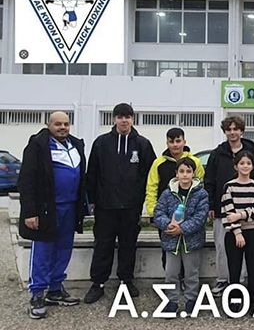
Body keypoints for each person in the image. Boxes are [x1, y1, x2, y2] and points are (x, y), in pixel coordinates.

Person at [84, 103, 156, 304]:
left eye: (128, 116)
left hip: (131, 207)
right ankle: (98, 283)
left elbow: (150, 174)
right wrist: (92, 200)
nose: (124, 120)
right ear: (114, 119)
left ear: (133, 119)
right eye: (120, 116)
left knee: (128, 245)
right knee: (103, 245)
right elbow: (92, 172)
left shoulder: (143, 144)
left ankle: (126, 280)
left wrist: (143, 199)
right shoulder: (101, 143)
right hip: (105, 206)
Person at [18, 111, 87, 319]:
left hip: (70, 208)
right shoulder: (38, 146)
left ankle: (55, 289)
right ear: (49, 125)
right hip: (47, 210)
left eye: (66, 124)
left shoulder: (76, 144)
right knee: (43, 251)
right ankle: (37, 293)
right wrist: (30, 212)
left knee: (64, 248)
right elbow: (26, 180)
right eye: (58, 124)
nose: (62, 127)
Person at [204, 116, 254, 296]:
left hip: (249, 214)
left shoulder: (252, 152)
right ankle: (224, 280)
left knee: (247, 253)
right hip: (224, 210)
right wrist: (211, 205)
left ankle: (241, 282)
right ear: (225, 132)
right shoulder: (217, 153)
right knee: (223, 248)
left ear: (242, 131)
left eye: (235, 129)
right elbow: (209, 180)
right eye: (229, 129)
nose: (232, 132)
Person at [153, 157, 209, 315]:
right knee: (171, 273)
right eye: (182, 171)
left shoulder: (201, 194)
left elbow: (200, 216)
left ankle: (191, 300)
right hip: (171, 241)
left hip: (192, 241)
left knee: (191, 273)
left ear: (193, 174)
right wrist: (167, 225)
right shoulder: (167, 193)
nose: (185, 175)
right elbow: (159, 213)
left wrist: (182, 228)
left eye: (188, 171)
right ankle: (172, 301)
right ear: (176, 174)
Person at [145, 127, 205, 269]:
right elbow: (151, 187)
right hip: (166, 217)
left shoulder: (195, 162)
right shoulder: (158, 163)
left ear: (184, 141)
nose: (175, 145)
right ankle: (170, 279)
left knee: (189, 250)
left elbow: (201, 184)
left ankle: (186, 278)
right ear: (167, 143)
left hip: (190, 215)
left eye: (178, 141)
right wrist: (153, 212)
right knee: (168, 251)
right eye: (171, 142)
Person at [221, 151, 254, 311]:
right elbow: (227, 212)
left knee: (253, 268)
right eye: (242, 163)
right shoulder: (229, 186)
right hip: (233, 234)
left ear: (252, 166)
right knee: (234, 269)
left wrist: (239, 215)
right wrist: (237, 232)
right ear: (236, 166)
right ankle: (234, 300)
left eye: (248, 163)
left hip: (253, 231)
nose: (245, 166)